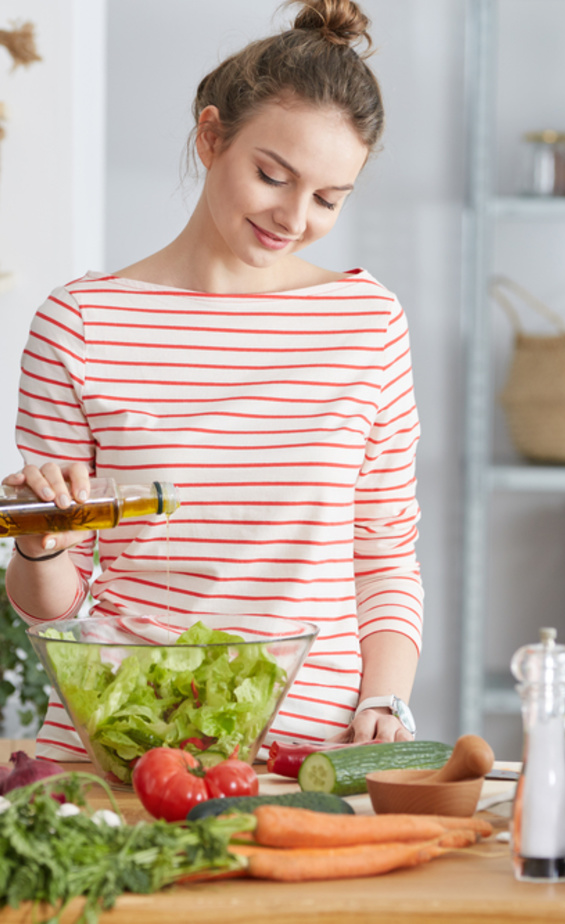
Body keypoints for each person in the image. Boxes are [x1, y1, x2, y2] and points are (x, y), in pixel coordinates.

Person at [3, 0, 423, 761]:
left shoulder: (368, 323)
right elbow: (56, 611)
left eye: (329, 199)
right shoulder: (81, 325)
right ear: (210, 136)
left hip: (307, 766)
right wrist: (38, 540)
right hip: (126, 748)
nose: (295, 217)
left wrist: (384, 701)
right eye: (273, 176)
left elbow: (385, 553)